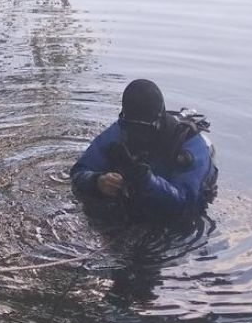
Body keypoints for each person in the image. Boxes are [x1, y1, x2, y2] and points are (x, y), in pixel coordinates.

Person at [70, 79, 217, 220]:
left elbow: (186, 201)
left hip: (173, 210)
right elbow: (79, 172)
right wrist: (97, 181)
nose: (137, 135)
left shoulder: (189, 145)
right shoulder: (119, 132)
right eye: (131, 127)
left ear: (159, 121)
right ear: (124, 118)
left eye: (143, 129)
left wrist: (147, 181)